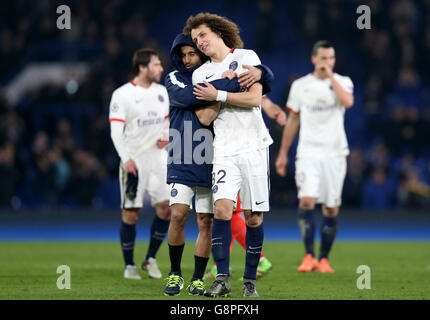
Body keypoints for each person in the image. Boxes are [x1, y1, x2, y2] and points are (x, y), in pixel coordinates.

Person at [163, 33, 274, 296]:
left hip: (211, 156)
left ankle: (200, 278)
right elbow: (192, 97)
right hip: (183, 154)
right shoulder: (174, 78)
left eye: (192, 54)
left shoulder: (207, 72)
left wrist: (262, 74)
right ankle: (175, 274)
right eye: (183, 55)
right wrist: (237, 80)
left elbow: (245, 92)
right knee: (178, 214)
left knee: (207, 220)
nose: (187, 59)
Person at [275, 40, 354, 273]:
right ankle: (308, 255)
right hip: (308, 152)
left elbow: (348, 102)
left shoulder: (343, 82)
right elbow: (293, 120)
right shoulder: (300, 86)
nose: (327, 62)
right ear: (314, 59)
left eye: (331, 58)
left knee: (330, 209)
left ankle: (324, 259)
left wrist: (331, 78)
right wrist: (282, 154)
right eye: (323, 58)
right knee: (307, 201)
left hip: (335, 153)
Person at [109, 48, 171, 280]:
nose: (161, 68)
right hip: (135, 161)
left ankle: (151, 259)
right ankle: (129, 265)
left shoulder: (163, 92)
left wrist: (167, 136)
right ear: (142, 68)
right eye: (156, 64)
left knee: (167, 209)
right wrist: (127, 159)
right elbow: (116, 132)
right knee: (131, 213)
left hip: (159, 160)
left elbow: (167, 124)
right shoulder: (122, 95)